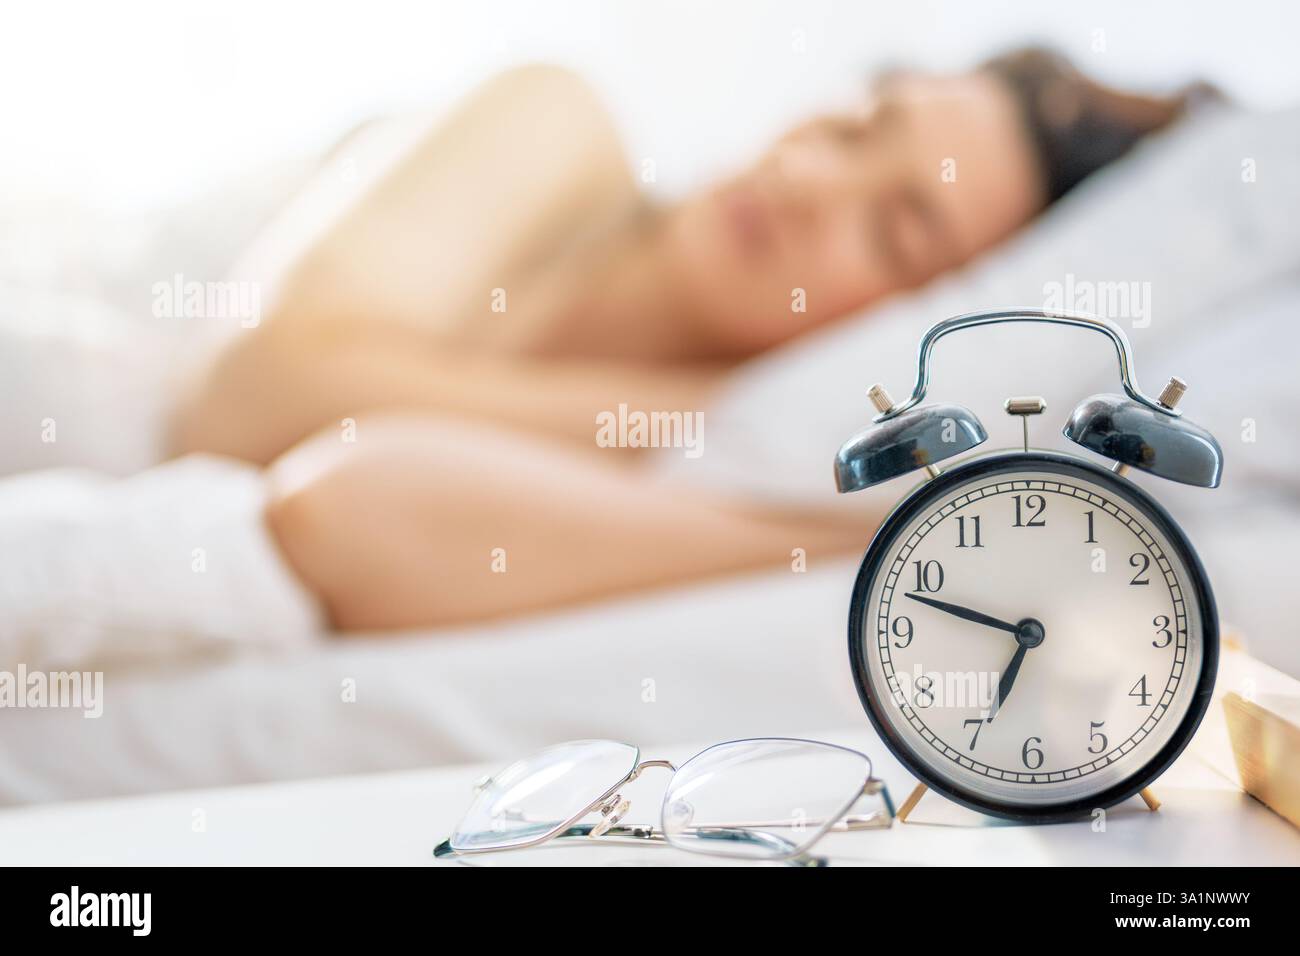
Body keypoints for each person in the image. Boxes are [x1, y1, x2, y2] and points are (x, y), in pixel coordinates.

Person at [169, 50, 1200, 630]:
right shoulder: (557, 124)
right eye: (853, 127)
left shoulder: (714, 472)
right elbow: (243, 398)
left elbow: (356, 515)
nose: (807, 183)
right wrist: (714, 410)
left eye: (892, 228)